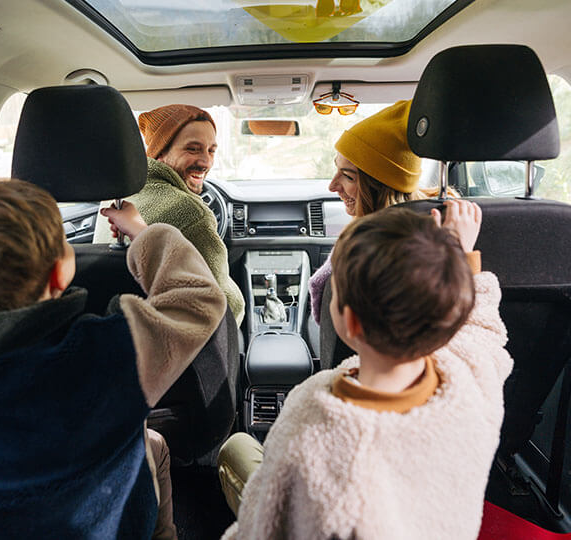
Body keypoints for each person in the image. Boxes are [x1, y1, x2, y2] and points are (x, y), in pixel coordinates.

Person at [0, 179, 226, 540]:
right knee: (153, 444)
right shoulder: (103, 358)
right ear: (59, 273)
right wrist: (142, 231)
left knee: (150, 444)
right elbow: (197, 298)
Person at [218, 201, 513, 540]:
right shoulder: (471, 377)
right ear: (452, 310)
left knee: (236, 449)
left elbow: (267, 526)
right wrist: (460, 255)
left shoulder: (312, 426)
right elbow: (482, 328)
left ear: (351, 322)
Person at [93, 104, 245, 326]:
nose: (206, 162)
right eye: (192, 149)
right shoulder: (193, 213)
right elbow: (227, 309)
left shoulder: (116, 199)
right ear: (161, 151)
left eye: (211, 150)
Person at [308, 99, 432, 325]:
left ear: (379, 189)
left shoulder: (367, 250)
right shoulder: (449, 220)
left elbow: (325, 318)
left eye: (348, 176)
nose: (332, 186)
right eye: (337, 169)